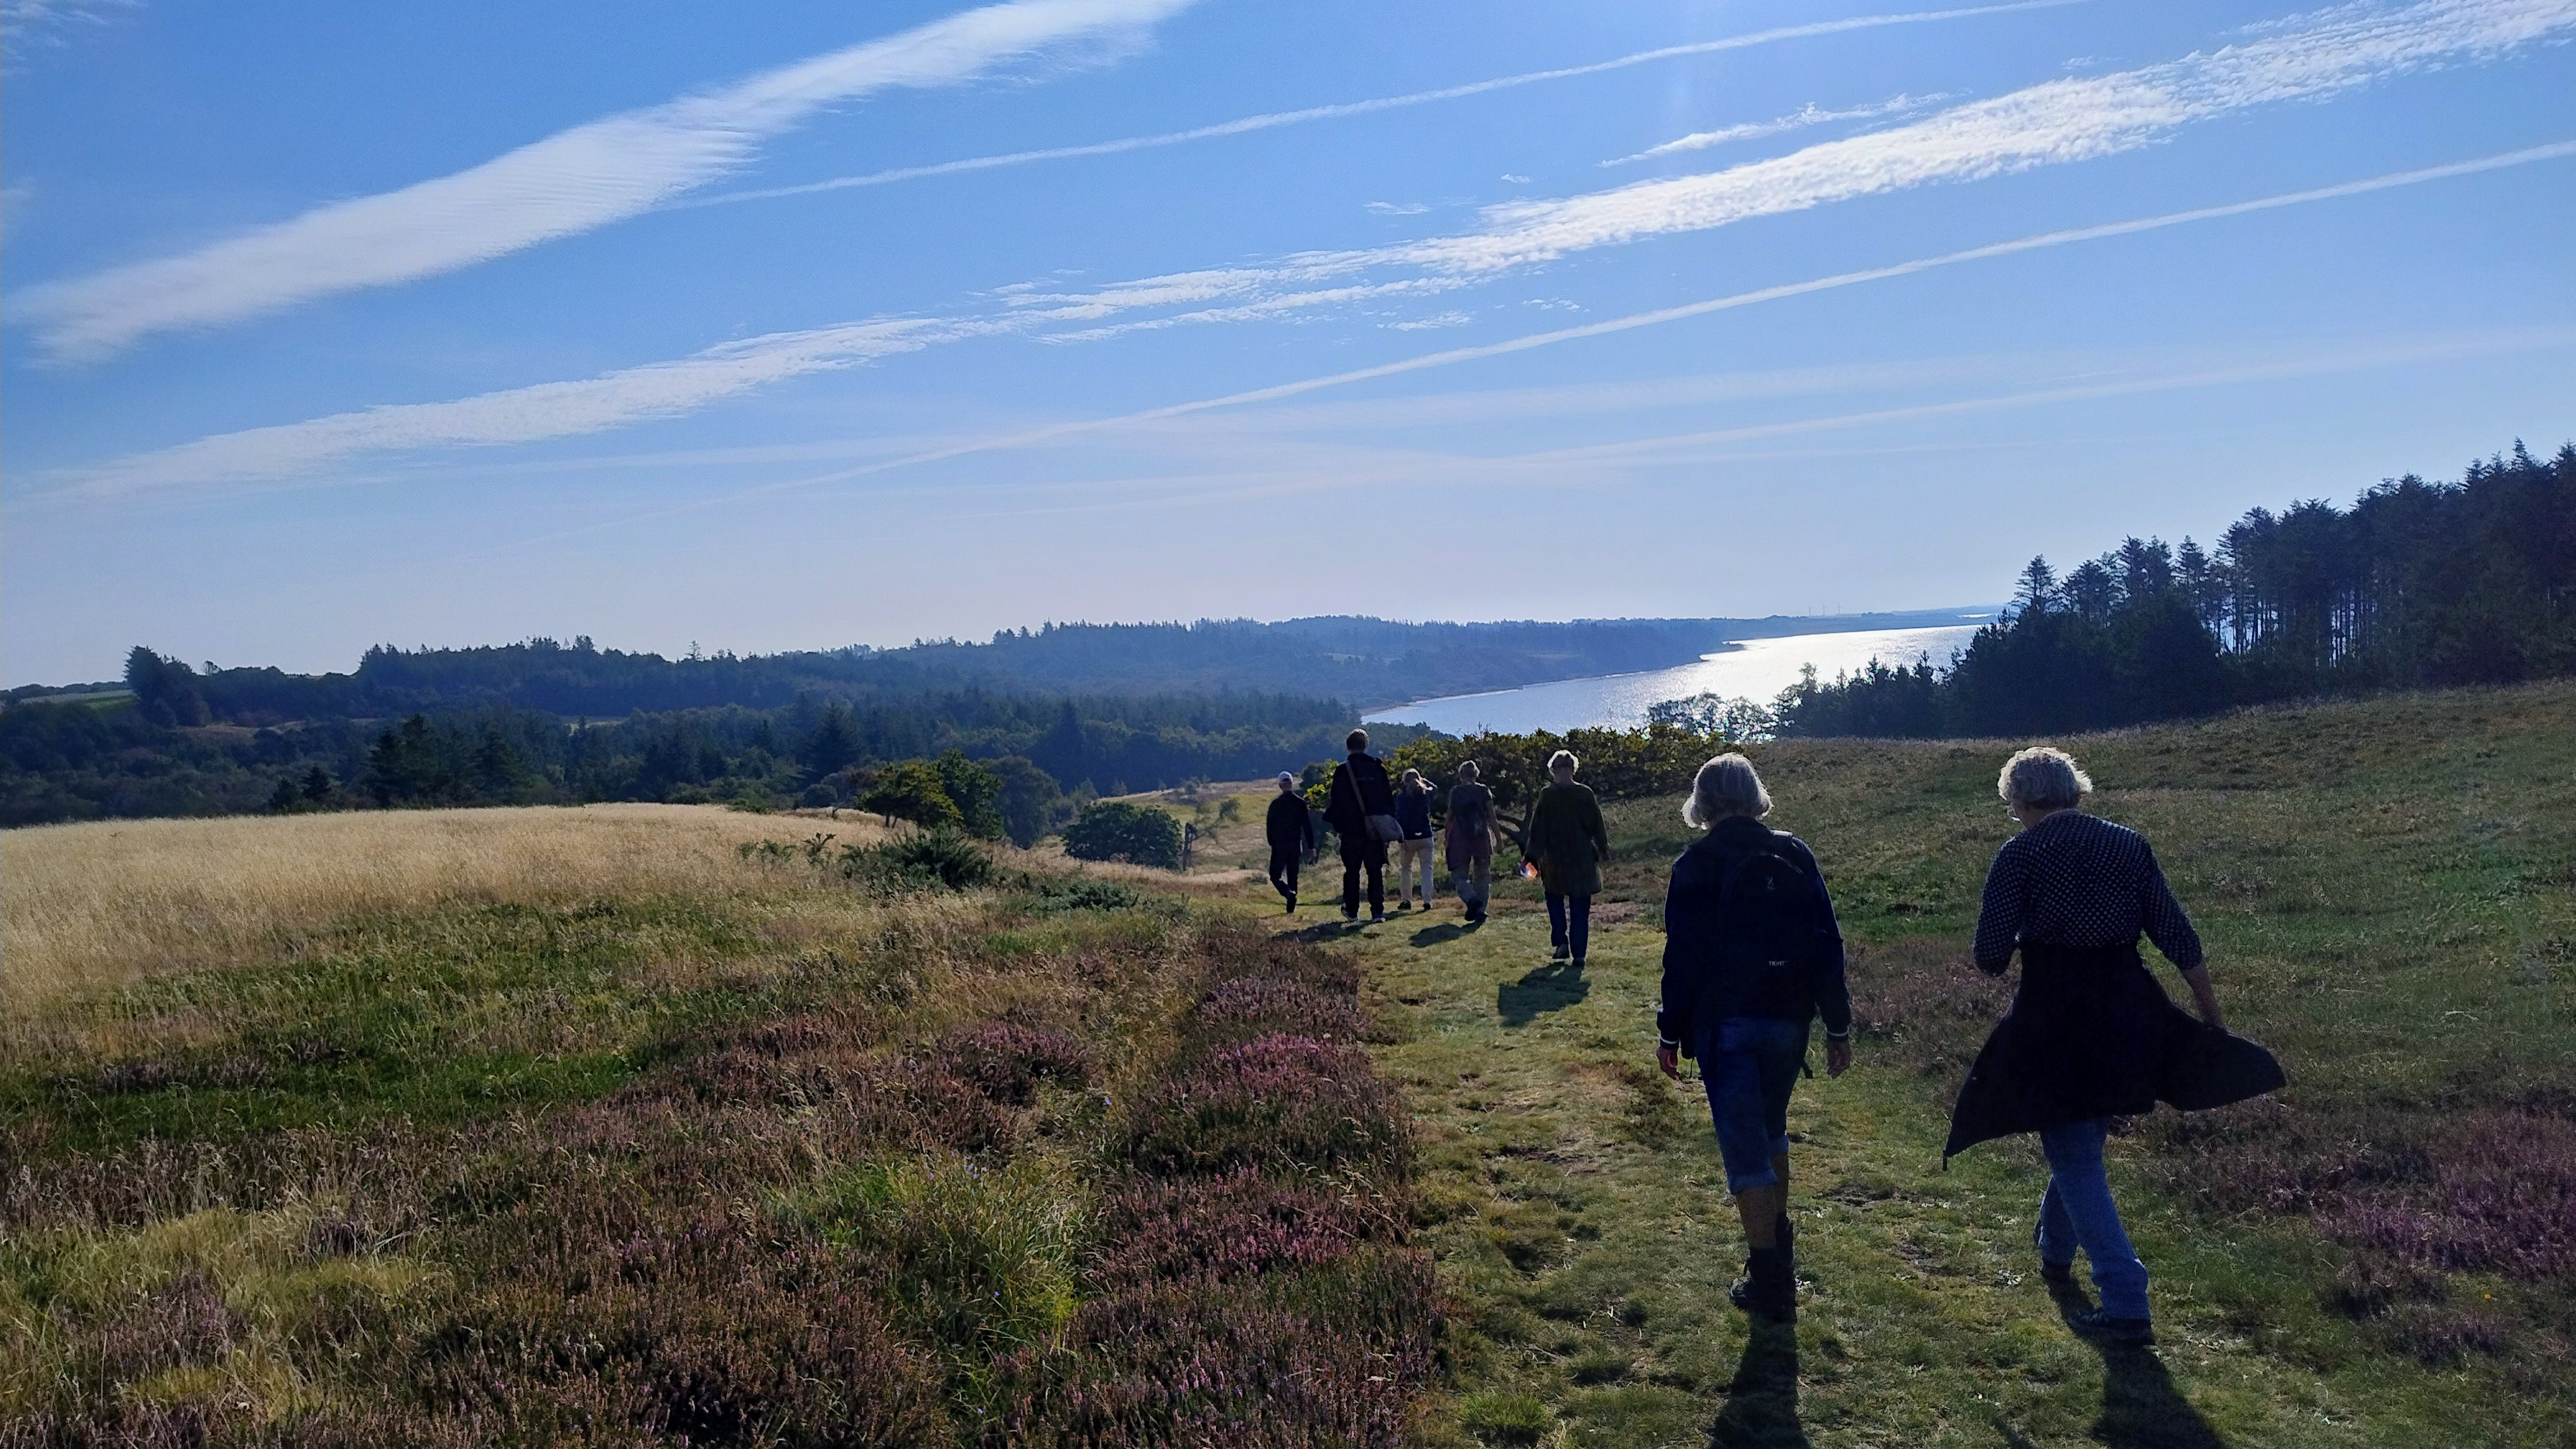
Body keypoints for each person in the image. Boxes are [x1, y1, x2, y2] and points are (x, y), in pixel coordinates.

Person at [1946, 746, 2278, 1348]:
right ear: (2073, 789)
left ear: (2019, 800)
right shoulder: (2127, 844)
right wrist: (2213, 1021)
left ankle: (2126, 1300)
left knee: (2073, 1151)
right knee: (2080, 1141)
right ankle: (2052, 1250)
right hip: (2128, 1007)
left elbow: (1990, 957)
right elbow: (2178, 936)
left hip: (2055, 1012)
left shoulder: (2019, 855)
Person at [1654, 753, 1851, 1321]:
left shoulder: (1694, 863)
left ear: (1703, 802)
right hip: (1789, 1019)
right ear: (1755, 794)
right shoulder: (1794, 852)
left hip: (1726, 1023)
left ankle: (1769, 1280)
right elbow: (1826, 944)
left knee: (1744, 1153)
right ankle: (1778, 1249)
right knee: (1771, 1133)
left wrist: (1670, 1030)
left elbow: (1682, 959)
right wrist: (1837, 1025)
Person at [1522, 749, 1608, 966]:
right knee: (1580, 907)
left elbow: (1538, 830)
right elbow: (1597, 824)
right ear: (1573, 769)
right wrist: (1603, 849)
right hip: (1582, 858)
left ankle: (1561, 942)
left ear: (1553, 770)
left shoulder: (1548, 795)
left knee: (1554, 900)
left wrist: (1530, 857)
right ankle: (1579, 953)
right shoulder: (1585, 793)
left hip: (1556, 858)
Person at [1324, 729, 1396, 922]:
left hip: (1351, 831)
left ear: (1348, 748)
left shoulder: (1342, 771)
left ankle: (1353, 911)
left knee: (1352, 872)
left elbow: (1336, 803)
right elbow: (1388, 800)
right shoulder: (1377, 768)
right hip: (1374, 829)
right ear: (1366, 746)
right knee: (1375, 871)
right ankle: (1377, 912)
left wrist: (1339, 826)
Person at [1446, 760, 1496, 924]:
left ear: (1461, 775)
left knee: (1459, 876)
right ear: (1476, 774)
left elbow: (1450, 817)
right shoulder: (1484, 791)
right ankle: (1481, 910)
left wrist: (1447, 838)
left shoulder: (1456, 792)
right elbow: (1491, 816)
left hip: (1461, 839)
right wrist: (1499, 839)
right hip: (1481, 837)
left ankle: (1471, 898)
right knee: (1483, 875)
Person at [1265, 771, 1318, 914]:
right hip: (1295, 844)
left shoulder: (1275, 804)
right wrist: (1311, 846)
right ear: (1292, 783)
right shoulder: (1300, 803)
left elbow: (1270, 826)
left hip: (1280, 845)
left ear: (1280, 785)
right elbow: (1307, 826)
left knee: (1275, 876)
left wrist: (1272, 843)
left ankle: (1288, 894)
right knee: (1293, 875)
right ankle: (1291, 906)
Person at [1393, 768, 1437, 911]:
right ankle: (1427, 900)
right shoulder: (1425, 795)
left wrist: (1401, 837)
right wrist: (1424, 781)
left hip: (1409, 837)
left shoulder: (1402, 797)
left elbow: (1401, 818)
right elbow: (1435, 788)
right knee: (1427, 869)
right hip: (1425, 835)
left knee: (1406, 868)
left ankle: (1406, 900)